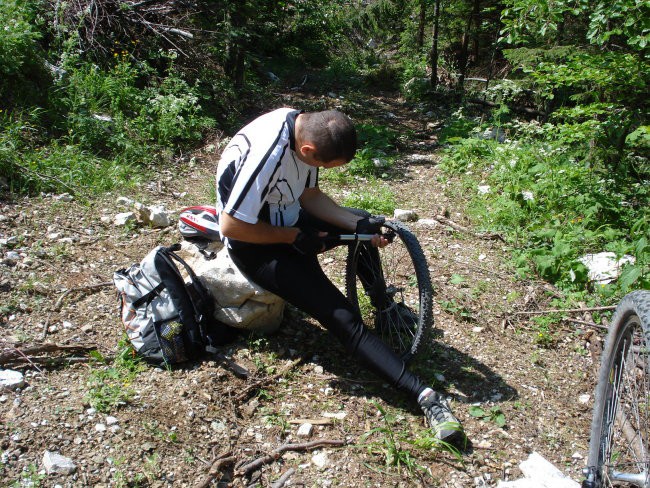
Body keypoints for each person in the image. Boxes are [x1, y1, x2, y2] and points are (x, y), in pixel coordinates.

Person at [215, 107, 464, 443]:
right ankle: (426, 397)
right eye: (322, 165)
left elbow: (311, 197)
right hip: (255, 242)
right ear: (308, 152)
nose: (321, 170)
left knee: (363, 221)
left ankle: (383, 305)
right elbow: (231, 226)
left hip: (285, 218)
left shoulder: (304, 128)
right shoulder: (268, 153)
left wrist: (357, 226)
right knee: (343, 319)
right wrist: (292, 238)